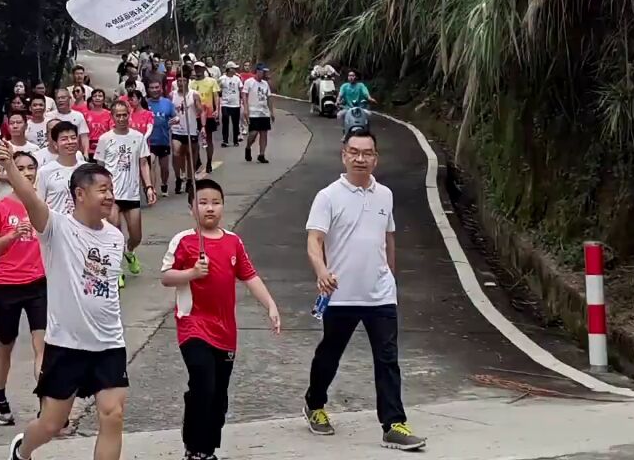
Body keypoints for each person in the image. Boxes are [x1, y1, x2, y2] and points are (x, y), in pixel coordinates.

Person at [0, 142, 128, 460]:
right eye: (102, 190)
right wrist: (10, 166)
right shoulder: (56, 228)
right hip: (66, 345)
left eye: (111, 189)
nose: (109, 196)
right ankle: (22, 450)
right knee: (53, 423)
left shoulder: (115, 236)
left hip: (109, 343)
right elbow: (30, 198)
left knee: (113, 414)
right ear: (80, 194)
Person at [302, 128, 425, 451]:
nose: (360, 158)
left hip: (380, 294)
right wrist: (321, 270)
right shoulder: (328, 196)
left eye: (367, 153)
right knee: (329, 354)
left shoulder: (385, 195)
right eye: (354, 152)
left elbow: (389, 239)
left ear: (375, 158)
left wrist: (391, 279)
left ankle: (393, 423)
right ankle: (315, 404)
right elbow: (314, 240)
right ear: (344, 155)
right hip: (341, 294)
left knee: (387, 359)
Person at [162, 178, 282, 460]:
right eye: (202, 202)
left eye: (215, 202)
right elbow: (166, 277)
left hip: (225, 331)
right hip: (193, 326)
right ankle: (194, 449)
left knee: (218, 394)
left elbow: (249, 276)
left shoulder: (233, 242)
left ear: (223, 206)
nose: (209, 208)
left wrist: (270, 304)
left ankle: (207, 448)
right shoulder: (184, 241)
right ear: (192, 207)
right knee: (202, 383)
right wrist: (191, 273)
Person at [0, 150, 47, 426]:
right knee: (4, 346)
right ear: (10, 171)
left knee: (42, 345)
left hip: (38, 284)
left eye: (31, 167)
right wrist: (11, 236)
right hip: (4, 287)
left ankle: (47, 404)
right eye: (20, 167)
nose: (27, 172)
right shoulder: (0, 208)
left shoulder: (43, 205)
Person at [96, 100, 156, 289]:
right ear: (112, 117)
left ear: (129, 115)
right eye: (118, 115)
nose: (121, 118)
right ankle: (117, 270)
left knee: (136, 236)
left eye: (124, 115)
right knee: (115, 233)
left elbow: (144, 164)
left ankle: (129, 252)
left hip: (132, 194)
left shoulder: (137, 137)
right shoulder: (105, 139)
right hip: (112, 195)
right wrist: (101, 191)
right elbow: (100, 168)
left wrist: (149, 187)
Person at [35, 121, 89, 212]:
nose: (70, 142)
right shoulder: (45, 171)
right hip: (56, 224)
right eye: (64, 139)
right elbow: (39, 204)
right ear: (55, 144)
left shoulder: (88, 170)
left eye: (73, 138)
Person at [170, 73, 203, 197]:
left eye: (183, 80)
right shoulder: (172, 95)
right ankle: (178, 177)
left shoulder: (193, 94)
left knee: (190, 155)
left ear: (188, 81)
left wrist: (196, 103)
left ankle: (190, 179)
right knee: (176, 153)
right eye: (178, 81)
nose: (181, 83)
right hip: (177, 129)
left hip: (191, 129)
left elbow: (200, 111)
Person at [0, 112, 35, 199]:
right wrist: (13, 178)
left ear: (26, 126)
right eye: (11, 123)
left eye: (19, 122)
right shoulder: (1, 147)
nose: (15, 126)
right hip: (6, 199)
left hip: (29, 199)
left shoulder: (35, 149)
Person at [146, 80, 175, 196]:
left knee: (164, 168)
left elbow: (175, 116)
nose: (154, 90)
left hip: (163, 139)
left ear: (161, 88)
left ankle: (164, 184)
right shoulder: (145, 103)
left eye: (156, 87)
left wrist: (176, 120)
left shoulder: (167, 103)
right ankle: (152, 188)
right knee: (151, 163)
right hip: (149, 141)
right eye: (152, 88)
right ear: (148, 90)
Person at [190, 62, 220, 174]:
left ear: (204, 69)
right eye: (196, 68)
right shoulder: (191, 84)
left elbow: (216, 97)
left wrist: (217, 110)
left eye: (200, 68)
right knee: (194, 140)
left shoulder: (211, 81)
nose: (198, 70)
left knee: (208, 138)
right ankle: (197, 161)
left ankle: (209, 161)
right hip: (195, 114)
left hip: (208, 114)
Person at [242, 65, 275, 164]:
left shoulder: (265, 84)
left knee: (264, 133)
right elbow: (244, 95)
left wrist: (271, 112)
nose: (265, 74)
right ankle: (248, 147)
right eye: (263, 72)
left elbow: (269, 97)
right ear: (257, 71)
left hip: (264, 112)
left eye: (265, 72)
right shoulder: (249, 82)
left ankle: (262, 154)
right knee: (254, 133)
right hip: (253, 111)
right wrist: (246, 109)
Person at [48, 88, 90, 156]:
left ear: (69, 98)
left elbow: (84, 136)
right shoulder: (49, 116)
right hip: (53, 154)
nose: (60, 100)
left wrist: (86, 153)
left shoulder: (78, 115)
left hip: (74, 154)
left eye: (63, 97)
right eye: (58, 98)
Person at [218, 62, 243, 148]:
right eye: (233, 68)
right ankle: (225, 140)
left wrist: (242, 99)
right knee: (225, 122)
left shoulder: (237, 79)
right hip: (225, 103)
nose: (235, 70)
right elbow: (218, 90)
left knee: (235, 123)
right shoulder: (222, 79)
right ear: (229, 69)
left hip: (235, 104)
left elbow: (241, 89)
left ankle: (235, 140)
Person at [84, 89, 113, 161]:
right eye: (95, 96)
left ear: (103, 99)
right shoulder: (86, 115)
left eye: (100, 96)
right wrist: (85, 152)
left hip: (105, 148)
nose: (97, 98)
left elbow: (112, 133)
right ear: (92, 99)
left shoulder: (109, 114)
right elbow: (84, 135)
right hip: (90, 149)